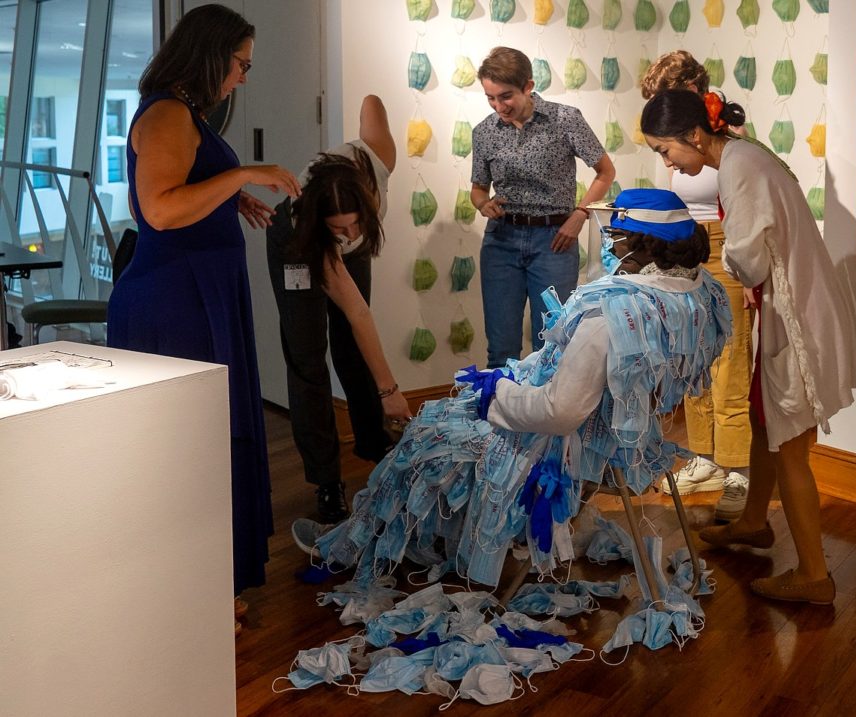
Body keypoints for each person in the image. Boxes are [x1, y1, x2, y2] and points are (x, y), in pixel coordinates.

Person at [292, 189, 731, 591]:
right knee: (444, 420)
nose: (609, 243)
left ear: (642, 243)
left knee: (425, 434)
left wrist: (495, 396)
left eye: (615, 235)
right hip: (628, 433)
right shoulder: (701, 292)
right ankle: (434, 538)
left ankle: (353, 544)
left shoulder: (610, 312)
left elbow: (561, 412)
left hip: (571, 445)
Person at [106, 4, 301, 625]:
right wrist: (244, 171)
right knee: (188, 444)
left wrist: (228, 196)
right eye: (240, 64)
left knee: (208, 438)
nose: (242, 78)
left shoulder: (183, 113)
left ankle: (208, 579)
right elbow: (159, 211)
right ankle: (187, 583)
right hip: (176, 299)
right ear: (213, 55)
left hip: (199, 290)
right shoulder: (166, 112)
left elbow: (185, 188)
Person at [641, 90, 856, 605]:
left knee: (792, 449)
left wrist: (720, 271)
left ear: (695, 135)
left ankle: (814, 576)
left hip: (797, 316)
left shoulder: (738, 167)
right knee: (766, 422)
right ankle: (755, 521)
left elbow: (750, 262)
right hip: (791, 308)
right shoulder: (745, 153)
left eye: (665, 150)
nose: (666, 161)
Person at [266, 94, 412, 524]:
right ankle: (326, 480)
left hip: (336, 220)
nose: (349, 234)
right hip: (298, 244)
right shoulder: (306, 224)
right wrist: (392, 391)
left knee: (352, 347)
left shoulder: (377, 158)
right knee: (307, 354)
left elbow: (370, 103)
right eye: (341, 229)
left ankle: (374, 442)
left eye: (355, 225)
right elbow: (358, 311)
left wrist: (385, 393)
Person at [641, 50, 754, 522]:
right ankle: (705, 459)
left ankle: (739, 471)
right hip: (688, 243)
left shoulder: (731, 138)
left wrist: (749, 274)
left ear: (692, 90)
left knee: (729, 362)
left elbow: (743, 202)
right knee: (693, 357)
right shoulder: (676, 141)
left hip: (727, 247)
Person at [471, 46, 616, 368]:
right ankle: (503, 417)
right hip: (501, 240)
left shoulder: (566, 119)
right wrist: (483, 205)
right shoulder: (484, 132)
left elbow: (606, 172)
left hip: (554, 239)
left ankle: (546, 418)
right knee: (500, 347)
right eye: (490, 98)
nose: (498, 106)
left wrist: (580, 215)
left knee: (551, 344)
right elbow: (478, 189)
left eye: (505, 96)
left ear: (528, 85)